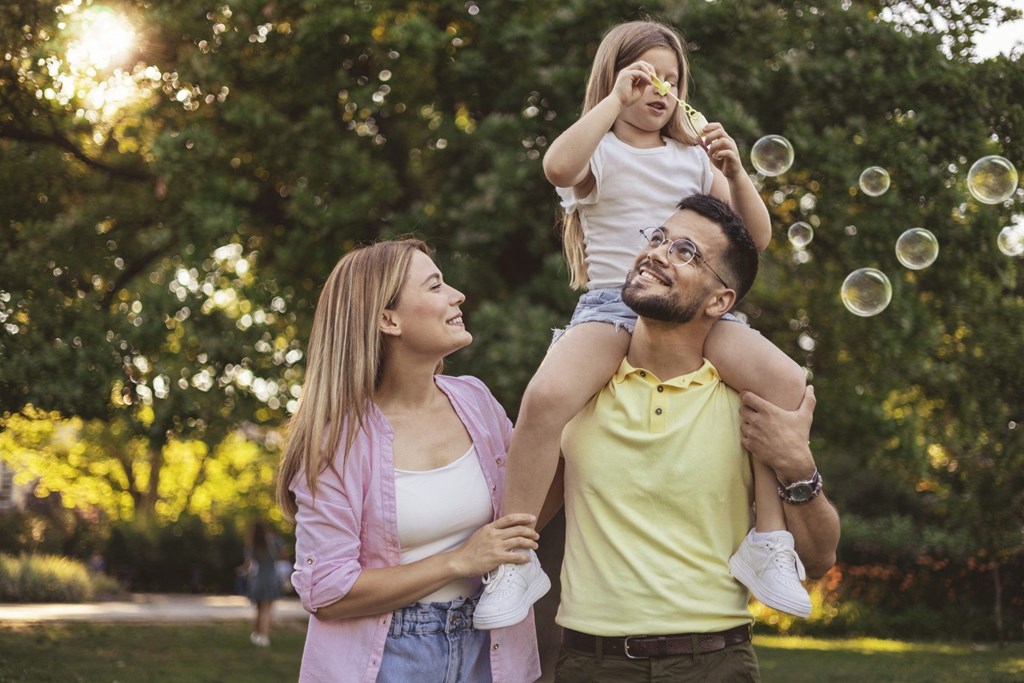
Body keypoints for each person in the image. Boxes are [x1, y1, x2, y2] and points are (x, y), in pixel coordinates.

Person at [474, 19, 811, 630]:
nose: (661, 91)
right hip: (611, 305)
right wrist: (613, 102)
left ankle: (768, 541)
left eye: (672, 81)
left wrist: (735, 172)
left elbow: (753, 242)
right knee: (546, 396)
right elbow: (555, 165)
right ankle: (514, 560)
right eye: (646, 77)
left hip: (698, 311)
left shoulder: (692, 159)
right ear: (617, 79)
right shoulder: (598, 149)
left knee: (783, 383)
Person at [553, 194, 841, 681]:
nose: (659, 252)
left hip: (715, 663)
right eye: (659, 238)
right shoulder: (577, 388)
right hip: (592, 664)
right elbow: (522, 515)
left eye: (686, 252)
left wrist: (797, 464)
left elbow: (818, 559)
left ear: (720, 301)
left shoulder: (750, 404)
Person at [276, 239, 542, 682]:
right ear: (388, 319)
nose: (457, 295)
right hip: (389, 660)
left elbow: (529, 494)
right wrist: (459, 561)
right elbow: (326, 590)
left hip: (490, 647)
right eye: (435, 285)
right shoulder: (335, 442)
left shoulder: (474, 400)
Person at [243, 519, 283, 647]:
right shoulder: (273, 542)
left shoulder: (251, 544)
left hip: (257, 580)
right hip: (271, 578)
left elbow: (248, 564)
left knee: (259, 609)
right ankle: (264, 636)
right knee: (267, 609)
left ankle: (256, 633)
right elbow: (282, 555)